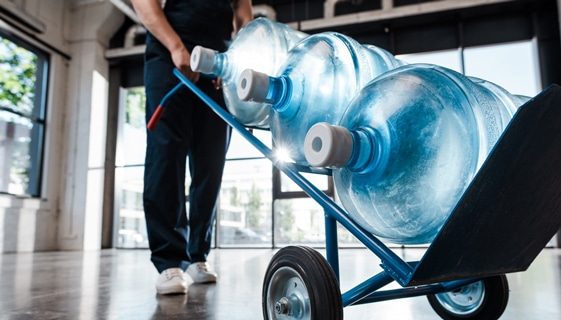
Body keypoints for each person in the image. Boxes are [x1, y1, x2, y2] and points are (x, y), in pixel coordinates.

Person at [131, 0, 253, 295]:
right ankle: (169, 260)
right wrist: (175, 47)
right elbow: (144, 4)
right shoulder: (171, 48)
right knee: (166, 156)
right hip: (170, 54)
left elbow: (244, 18)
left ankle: (197, 255)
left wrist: (235, 59)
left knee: (211, 163)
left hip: (218, 67)